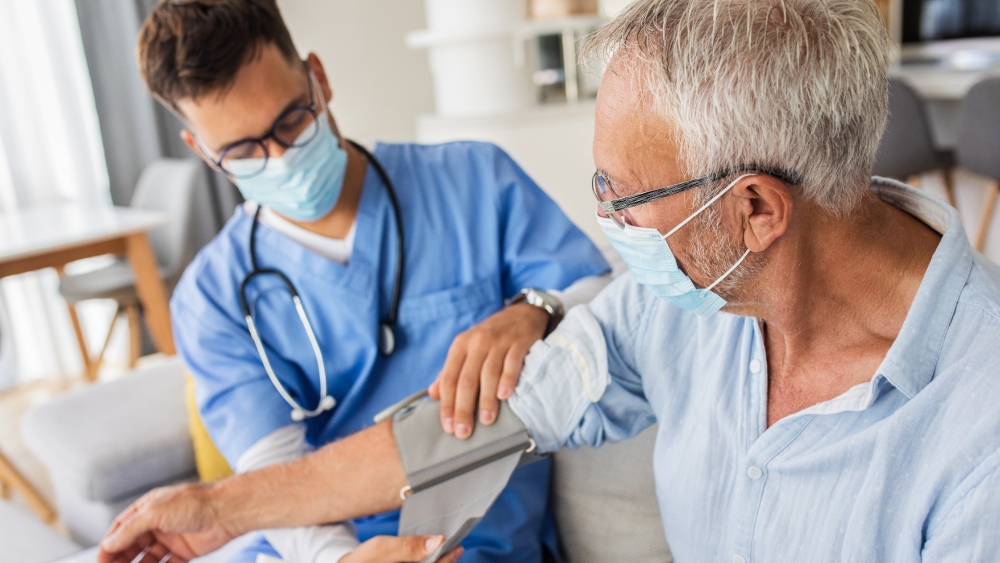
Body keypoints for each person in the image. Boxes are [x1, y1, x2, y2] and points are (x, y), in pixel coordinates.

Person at [100, 0, 1000, 561]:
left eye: (619, 197)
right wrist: (212, 507)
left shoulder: (978, 436)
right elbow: (464, 429)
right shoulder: (684, 309)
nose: (603, 226)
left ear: (755, 209)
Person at [131, 1, 611, 562]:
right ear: (204, 152)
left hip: (477, 542)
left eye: (291, 120)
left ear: (320, 78)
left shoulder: (473, 181)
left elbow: (607, 299)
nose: (281, 158)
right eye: (244, 150)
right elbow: (268, 475)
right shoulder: (209, 298)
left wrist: (536, 310)